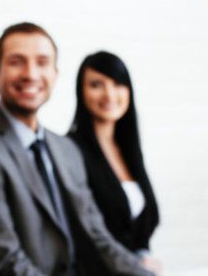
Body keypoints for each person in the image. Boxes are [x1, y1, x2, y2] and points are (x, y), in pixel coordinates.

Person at [0, 22, 157, 276]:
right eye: (17, 61)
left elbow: (97, 235)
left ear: (55, 74)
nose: (31, 74)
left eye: (42, 62)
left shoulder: (66, 149)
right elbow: (3, 256)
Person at [67, 51, 161, 271]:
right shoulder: (69, 150)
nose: (109, 94)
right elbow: (86, 235)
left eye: (118, 83)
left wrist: (145, 260)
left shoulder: (129, 151)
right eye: (96, 84)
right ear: (81, 92)